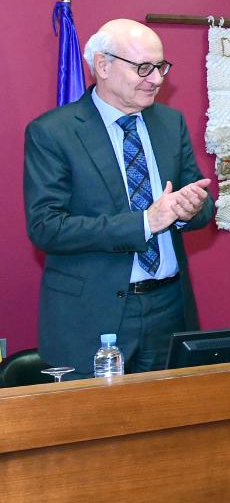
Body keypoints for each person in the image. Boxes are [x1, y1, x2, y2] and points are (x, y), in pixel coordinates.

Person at [24, 19, 213, 378]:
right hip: (93, 315)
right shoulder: (53, 133)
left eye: (161, 67)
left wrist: (192, 209)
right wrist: (144, 223)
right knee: (97, 430)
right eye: (143, 68)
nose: (157, 78)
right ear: (103, 66)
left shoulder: (170, 123)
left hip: (169, 307)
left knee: (171, 425)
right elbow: (46, 227)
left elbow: (200, 201)